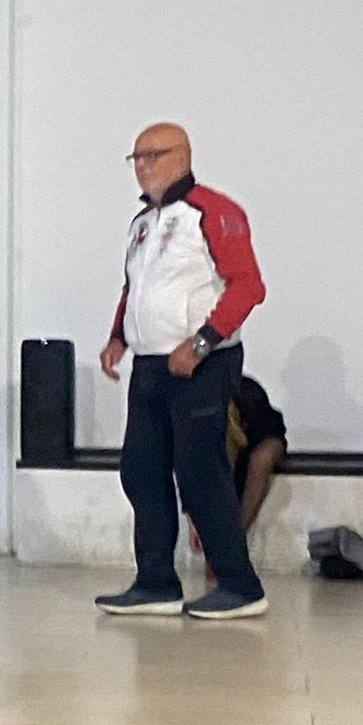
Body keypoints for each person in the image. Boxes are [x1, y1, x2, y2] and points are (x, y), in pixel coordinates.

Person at [97, 122, 269, 621]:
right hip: (151, 367)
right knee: (141, 469)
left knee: (199, 471)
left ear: (183, 156)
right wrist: (118, 337)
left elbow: (248, 286)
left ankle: (239, 585)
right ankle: (155, 583)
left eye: (153, 154)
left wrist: (201, 343)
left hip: (202, 364)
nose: (144, 164)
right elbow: (136, 289)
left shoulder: (213, 211)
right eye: (137, 157)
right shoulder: (142, 224)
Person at [189, 374, 288, 575]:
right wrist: (194, 521)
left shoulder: (244, 391)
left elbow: (267, 436)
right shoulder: (192, 402)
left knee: (262, 459)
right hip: (217, 446)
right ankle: (221, 547)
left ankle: (232, 543)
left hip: (262, 437)